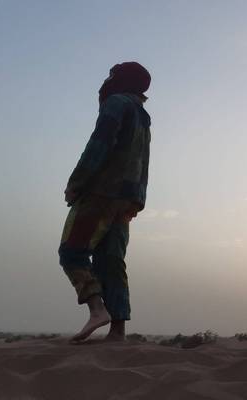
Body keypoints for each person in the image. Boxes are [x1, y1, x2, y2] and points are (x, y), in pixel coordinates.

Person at [58, 62, 152, 343]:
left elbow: (99, 144)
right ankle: (117, 331)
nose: (106, 80)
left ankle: (97, 309)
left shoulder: (116, 103)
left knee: (72, 252)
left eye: (112, 76)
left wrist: (77, 183)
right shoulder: (142, 115)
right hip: (128, 198)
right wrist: (136, 198)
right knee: (111, 260)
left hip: (103, 192)